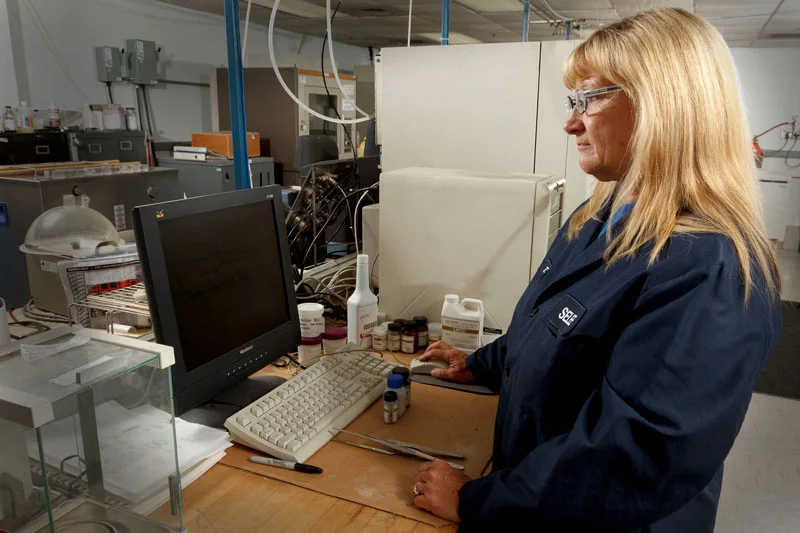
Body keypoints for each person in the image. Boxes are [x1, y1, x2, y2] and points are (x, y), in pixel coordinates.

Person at [410, 8, 782, 533]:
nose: (571, 123)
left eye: (591, 98)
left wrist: (478, 501)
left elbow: (635, 456)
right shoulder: (600, 216)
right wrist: (485, 363)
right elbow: (559, 328)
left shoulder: (707, 265)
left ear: (663, 105)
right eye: (573, 101)